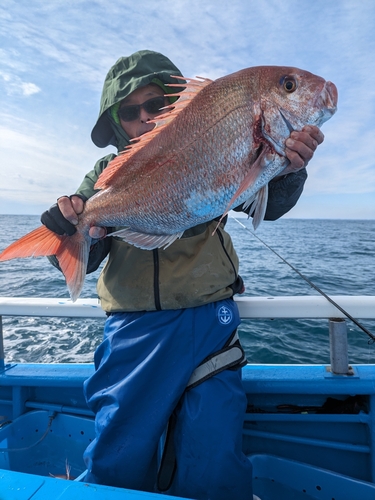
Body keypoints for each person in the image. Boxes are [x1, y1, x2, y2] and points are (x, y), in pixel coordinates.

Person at [41, 50, 324, 500]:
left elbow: (266, 203)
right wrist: (66, 228)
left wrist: (290, 169)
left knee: (212, 455)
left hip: (211, 323)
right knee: (120, 452)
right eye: (129, 112)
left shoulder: (214, 140)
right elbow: (82, 255)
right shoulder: (104, 176)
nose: (143, 118)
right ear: (116, 123)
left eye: (154, 104)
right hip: (134, 330)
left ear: (175, 104)